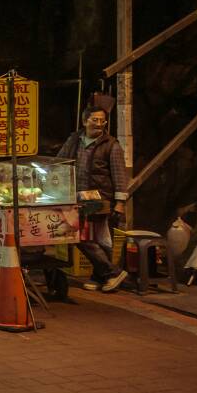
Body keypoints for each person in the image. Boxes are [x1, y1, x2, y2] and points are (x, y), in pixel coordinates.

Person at [58, 105, 130, 293]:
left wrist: (120, 202)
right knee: (88, 236)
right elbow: (60, 161)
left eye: (102, 120)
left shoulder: (111, 145)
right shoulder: (74, 140)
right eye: (95, 120)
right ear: (85, 121)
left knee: (84, 236)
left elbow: (119, 175)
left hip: (99, 199)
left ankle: (109, 273)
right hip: (76, 197)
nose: (99, 124)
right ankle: (103, 276)